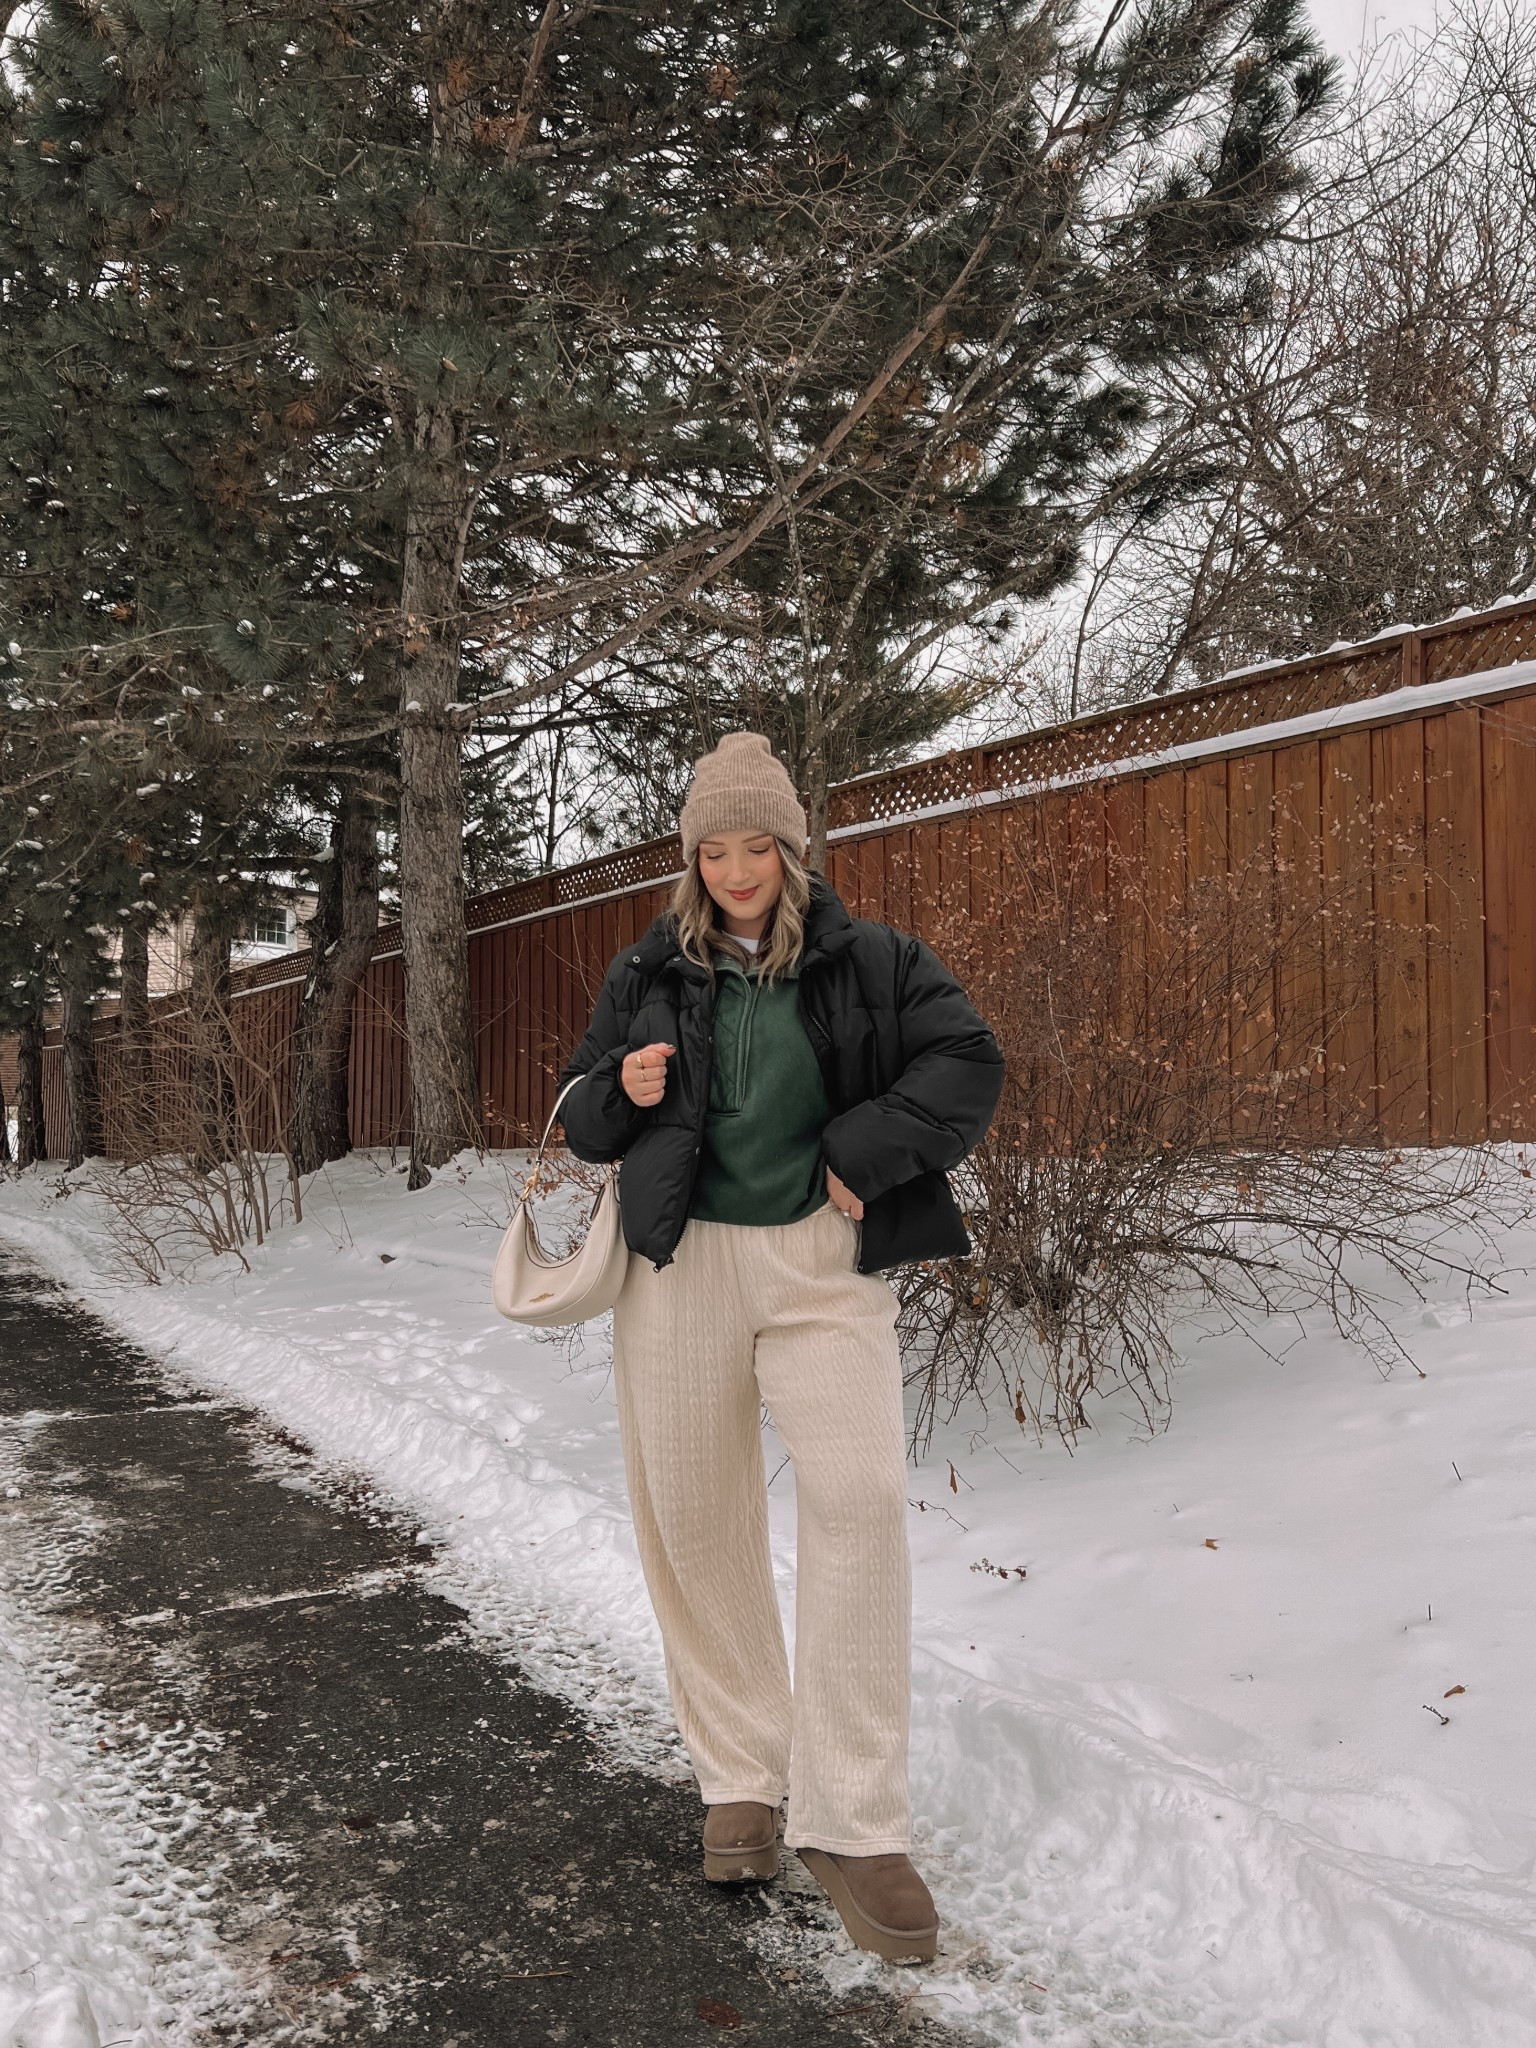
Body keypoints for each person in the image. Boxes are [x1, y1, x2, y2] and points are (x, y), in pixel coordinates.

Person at [558, 730, 1003, 1965]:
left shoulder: (873, 958)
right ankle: (742, 1775)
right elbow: (579, 1113)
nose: (740, 867)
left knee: (859, 1499)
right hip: (682, 1267)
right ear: (692, 857)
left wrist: (866, 1149)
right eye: (718, 846)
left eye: (761, 844)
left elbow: (969, 1060)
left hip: (819, 1268)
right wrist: (625, 1087)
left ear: (793, 847)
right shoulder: (648, 964)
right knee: (697, 1520)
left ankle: (856, 1819)